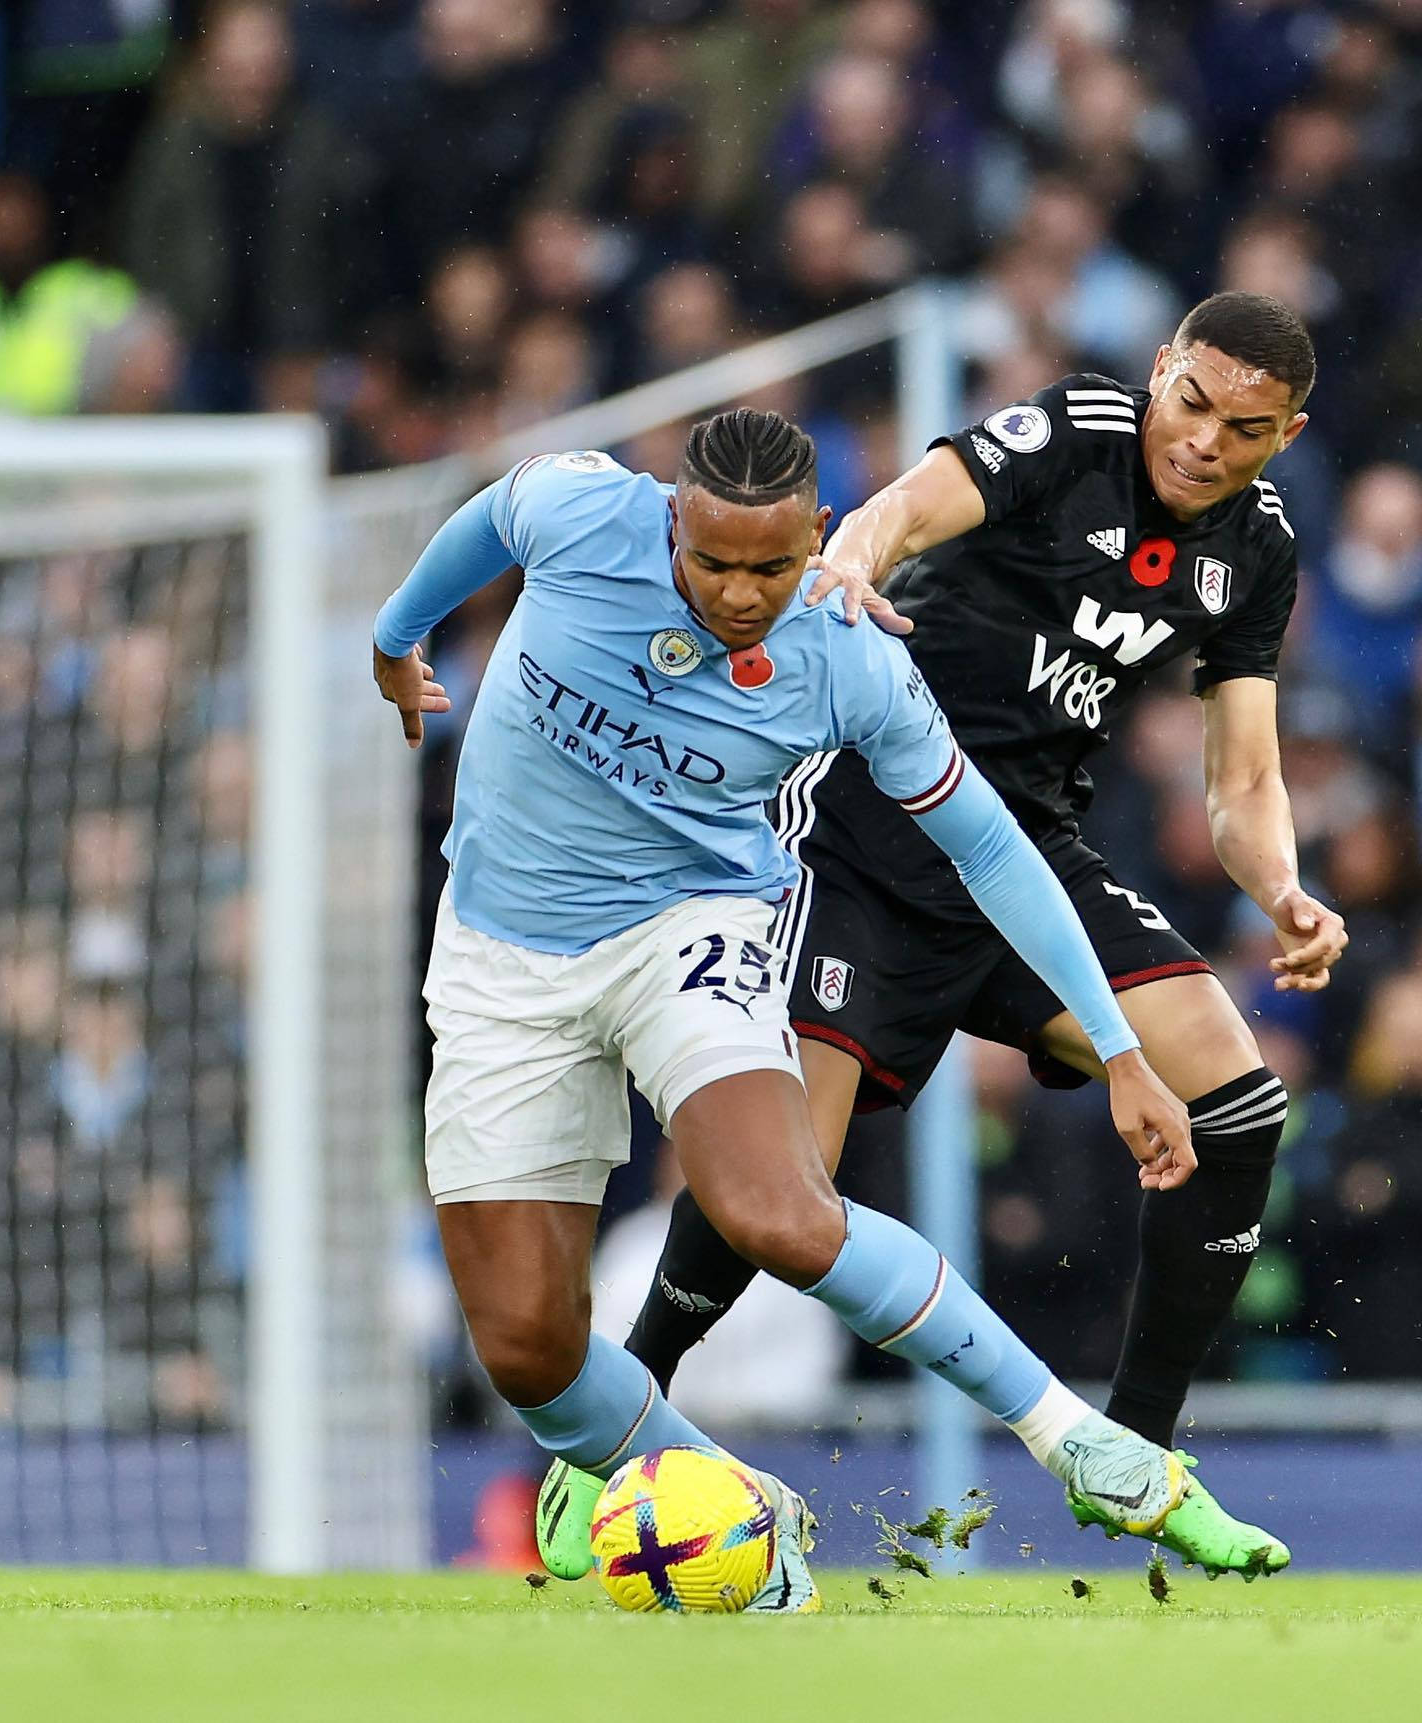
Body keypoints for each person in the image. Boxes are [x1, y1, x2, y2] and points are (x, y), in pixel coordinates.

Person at [373, 407, 1288, 1613]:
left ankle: (1083, 1441)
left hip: (691, 930)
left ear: (816, 535)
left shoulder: (851, 654)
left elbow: (997, 856)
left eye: (772, 565)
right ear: (674, 520)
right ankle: (735, 1501)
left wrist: (1117, 1047)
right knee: (529, 1351)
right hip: (498, 959)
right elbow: (481, 522)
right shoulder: (579, 509)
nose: (742, 592)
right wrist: (398, 636)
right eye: (712, 562)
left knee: (779, 1210)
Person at [625, 294, 1349, 1462]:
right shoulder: (1076, 429)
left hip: (1025, 860)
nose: (1207, 440)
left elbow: (1244, 780)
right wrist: (850, 567)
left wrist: (1282, 891)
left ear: (1289, 436)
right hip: (866, 834)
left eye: (1246, 428)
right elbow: (901, 511)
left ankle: (1140, 1459)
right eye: (1194, 403)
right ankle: (626, 1398)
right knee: (776, 1188)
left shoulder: (1259, 548)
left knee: (1237, 1097)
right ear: (1163, 371)